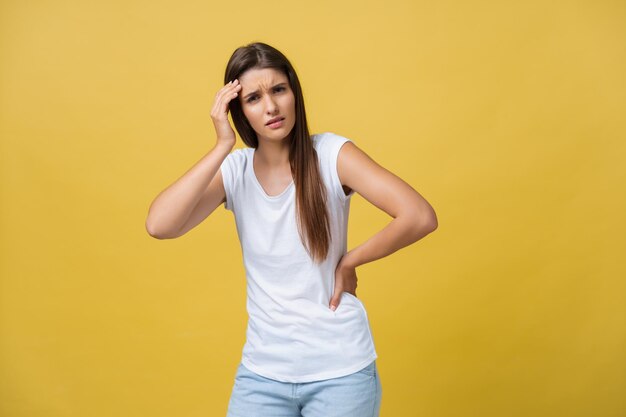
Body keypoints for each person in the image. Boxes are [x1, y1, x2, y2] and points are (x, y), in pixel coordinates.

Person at [145, 42, 438, 417]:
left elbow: (419, 215)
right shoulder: (235, 171)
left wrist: (349, 262)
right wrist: (222, 145)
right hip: (262, 374)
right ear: (239, 111)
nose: (270, 107)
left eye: (278, 90)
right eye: (253, 98)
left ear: (294, 94)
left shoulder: (332, 155)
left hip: (341, 371)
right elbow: (159, 225)